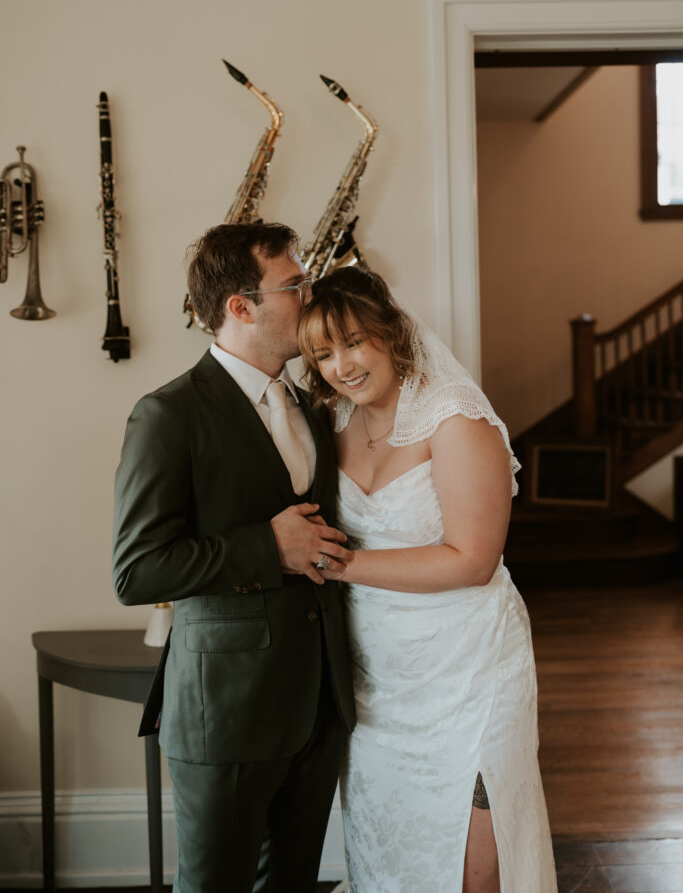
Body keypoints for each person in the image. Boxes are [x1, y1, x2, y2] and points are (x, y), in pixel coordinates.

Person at [112, 222, 356, 893]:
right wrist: (266, 547)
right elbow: (136, 570)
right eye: (294, 285)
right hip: (224, 714)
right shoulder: (168, 415)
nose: (310, 296)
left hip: (319, 703)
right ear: (240, 307)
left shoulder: (315, 406)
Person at [298, 267, 557, 893]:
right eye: (324, 354)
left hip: (468, 668)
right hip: (376, 682)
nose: (342, 366)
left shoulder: (455, 416)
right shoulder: (332, 421)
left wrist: (342, 565)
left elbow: (473, 559)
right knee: (390, 851)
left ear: (391, 331)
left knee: (472, 863)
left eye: (353, 342)